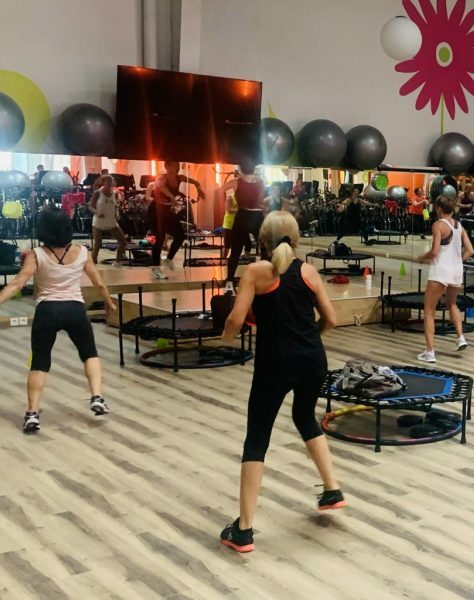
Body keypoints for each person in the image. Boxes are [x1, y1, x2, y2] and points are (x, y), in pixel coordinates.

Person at [219, 210, 343, 553]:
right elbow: (331, 319)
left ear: (262, 240)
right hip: (313, 361)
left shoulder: (256, 272)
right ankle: (332, 489)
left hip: (275, 365)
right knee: (304, 417)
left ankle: (243, 530)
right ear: (296, 239)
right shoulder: (308, 271)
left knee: (257, 438)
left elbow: (235, 319)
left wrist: (224, 340)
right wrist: (309, 339)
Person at [0, 209, 116, 433]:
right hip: (75, 310)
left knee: (40, 362)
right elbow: (99, 282)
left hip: (47, 311)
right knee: (89, 354)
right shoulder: (82, 252)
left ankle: (32, 414)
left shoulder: (36, 254)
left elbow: (17, 284)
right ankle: (97, 396)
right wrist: (109, 303)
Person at [416, 195, 474, 363]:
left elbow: (435, 252)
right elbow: (470, 250)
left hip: (440, 271)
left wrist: (422, 258)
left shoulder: (438, 225)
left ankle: (430, 352)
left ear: (439, 208)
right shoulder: (459, 226)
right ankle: (460, 337)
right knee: (452, 303)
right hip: (456, 271)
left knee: (429, 311)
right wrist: (457, 261)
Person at [147, 161, 205, 279]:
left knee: (180, 235)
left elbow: (195, 182)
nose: (177, 168)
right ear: (167, 166)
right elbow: (158, 185)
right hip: (155, 210)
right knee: (159, 238)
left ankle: (168, 259)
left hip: (167, 211)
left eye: (178, 166)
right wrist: (171, 196)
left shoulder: (180, 178)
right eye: (175, 165)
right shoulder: (162, 177)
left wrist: (199, 189)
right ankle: (156, 268)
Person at [227, 160, 265, 282]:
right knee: (265, 248)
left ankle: (229, 280)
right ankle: (266, 278)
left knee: (235, 251)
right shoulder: (261, 182)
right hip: (257, 215)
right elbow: (260, 200)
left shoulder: (236, 182)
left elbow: (218, 191)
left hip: (243, 214)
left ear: (241, 169)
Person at [89, 175, 127, 265]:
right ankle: (93, 263)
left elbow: (116, 206)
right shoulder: (98, 193)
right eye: (107, 181)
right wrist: (97, 212)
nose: (109, 183)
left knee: (123, 242)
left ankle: (117, 261)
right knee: (98, 244)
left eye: (111, 181)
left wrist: (117, 213)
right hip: (98, 223)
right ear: (103, 183)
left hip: (111, 222)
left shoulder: (115, 193)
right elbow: (90, 206)